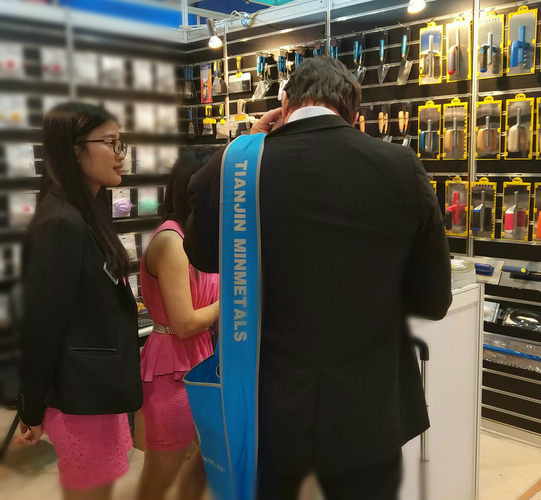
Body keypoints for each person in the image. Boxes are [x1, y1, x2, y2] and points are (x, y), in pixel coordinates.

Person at [184, 57, 452, 500]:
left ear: (283, 105)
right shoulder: (400, 166)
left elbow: (201, 255)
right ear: (355, 115)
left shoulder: (238, 169)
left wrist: (246, 143)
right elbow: (433, 300)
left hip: (267, 414)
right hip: (366, 413)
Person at [16, 102, 142, 500]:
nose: (120, 154)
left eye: (121, 143)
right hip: (79, 395)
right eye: (110, 142)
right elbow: (42, 325)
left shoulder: (84, 213)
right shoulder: (61, 221)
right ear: (73, 151)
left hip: (95, 389)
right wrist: (31, 407)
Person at [136, 147, 220, 500]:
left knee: (207, 458)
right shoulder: (172, 241)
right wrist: (234, 301)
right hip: (173, 364)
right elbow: (184, 322)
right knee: (163, 466)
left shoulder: (196, 237)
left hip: (199, 357)